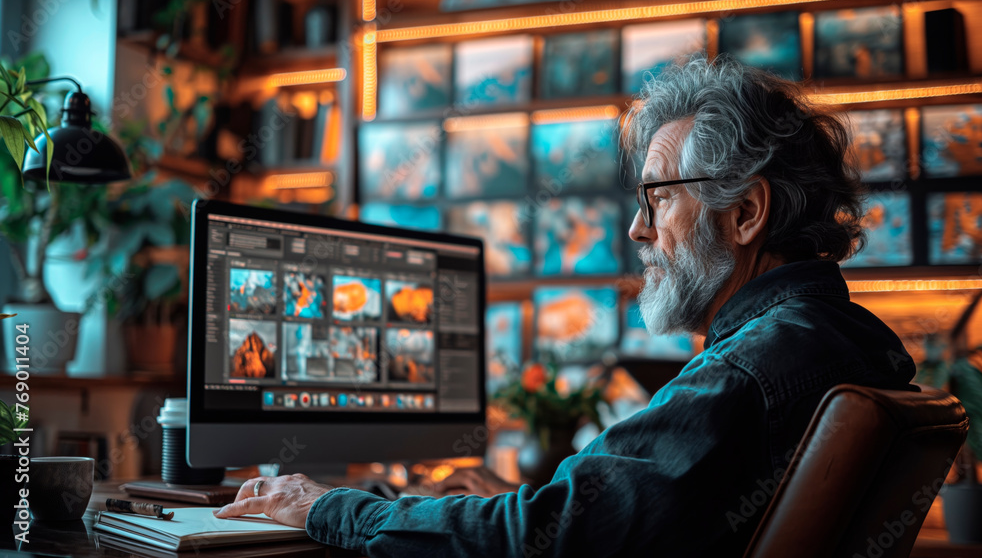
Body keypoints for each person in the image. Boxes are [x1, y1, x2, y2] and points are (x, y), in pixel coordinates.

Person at [214, 55, 917, 556]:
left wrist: (325, 506)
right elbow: (607, 522)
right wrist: (529, 505)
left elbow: (544, 542)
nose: (639, 230)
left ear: (746, 214)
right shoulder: (846, 342)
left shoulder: (750, 371)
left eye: (660, 198)